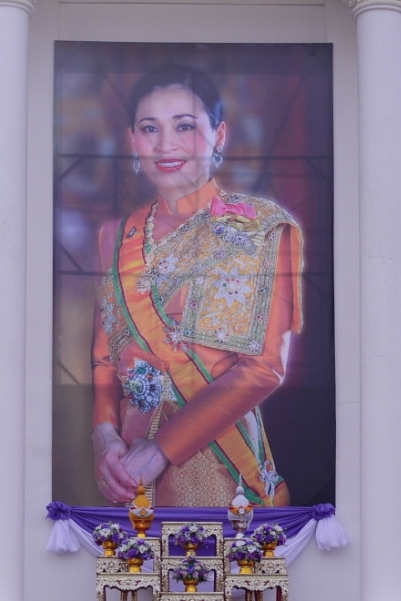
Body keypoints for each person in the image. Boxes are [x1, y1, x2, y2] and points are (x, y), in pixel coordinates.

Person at [91, 66, 303, 508]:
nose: (165, 144)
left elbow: (265, 367)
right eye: (150, 128)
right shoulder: (114, 236)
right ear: (133, 140)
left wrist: (161, 450)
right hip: (129, 468)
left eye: (184, 126)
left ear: (219, 134)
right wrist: (104, 435)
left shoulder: (261, 227)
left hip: (222, 464)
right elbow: (105, 360)